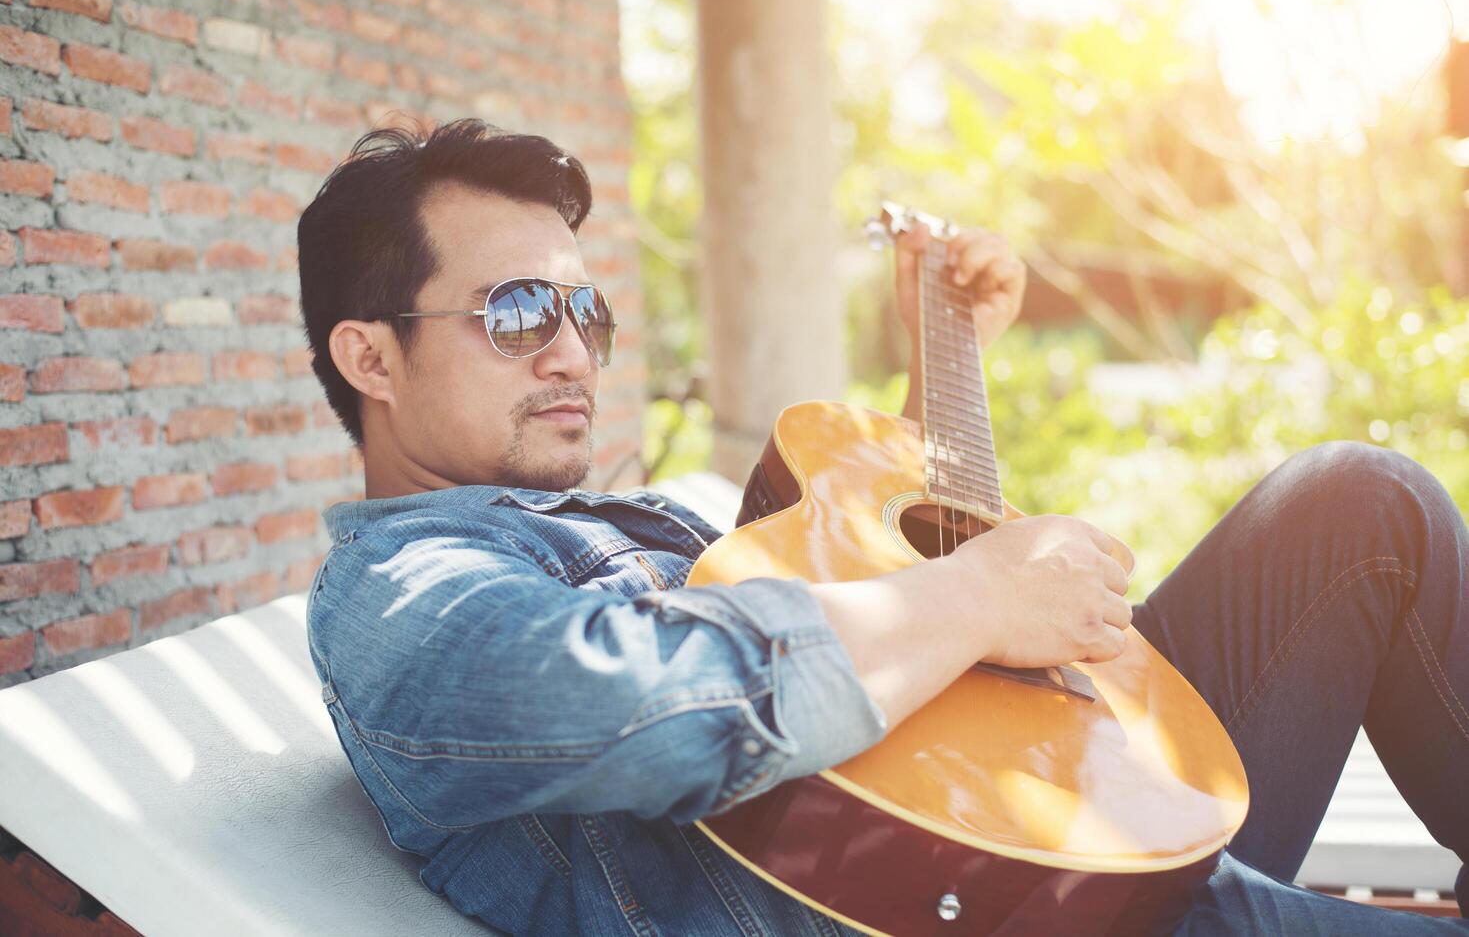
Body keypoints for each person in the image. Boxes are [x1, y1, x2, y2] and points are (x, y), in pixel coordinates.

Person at [298, 119, 1468, 936]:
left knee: (1361, 500)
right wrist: (978, 598)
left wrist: (939, 353)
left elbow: (857, 633)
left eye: (581, 309)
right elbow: (638, 693)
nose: (568, 350)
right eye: (513, 313)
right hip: (988, 905)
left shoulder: (607, 515)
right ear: (370, 357)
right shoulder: (405, 587)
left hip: (1045, 817)